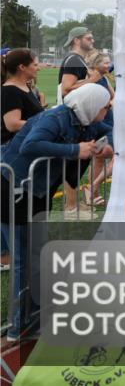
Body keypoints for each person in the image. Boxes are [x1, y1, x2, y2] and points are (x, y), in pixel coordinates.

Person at [1, 83, 113, 342]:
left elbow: (112, 130)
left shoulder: (84, 120)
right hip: (14, 190)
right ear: (92, 105)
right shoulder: (56, 117)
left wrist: (108, 145)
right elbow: (31, 145)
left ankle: (35, 313)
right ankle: (17, 328)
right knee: (22, 260)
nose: (108, 111)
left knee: (37, 255)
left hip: (37, 192)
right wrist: (76, 150)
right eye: (105, 106)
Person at [1, 49, 44, 274]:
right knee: (9, 207)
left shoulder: (25, 87)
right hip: (9, 154)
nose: (38, 67)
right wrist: (46, 123)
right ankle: (7, 254)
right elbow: (12, 124)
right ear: (22, 67)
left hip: (20, 153)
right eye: (35, 64)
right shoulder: (9, 91)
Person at [57, 26, 100, 215]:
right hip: (72, 119)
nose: (92, 40)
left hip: (78, 119)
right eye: (88, 38)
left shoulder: (78, 60)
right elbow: (67, 88)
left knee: (77, 165)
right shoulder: (73, 60)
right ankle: (71, 207)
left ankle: (72, 204)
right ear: (77, 40)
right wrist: (93, 79)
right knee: (73, 165)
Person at [83, 52, 115, 206]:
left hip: (108, 121)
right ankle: (92, 188)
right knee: (114, 157)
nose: (108, 65)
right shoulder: (92, 78)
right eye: (105, 63)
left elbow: (113, 96)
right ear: (96, 65)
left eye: (109, 62)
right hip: (99, 123)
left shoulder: (104, 78)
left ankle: (92, 192)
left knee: (99, 159)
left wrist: (111, 103)